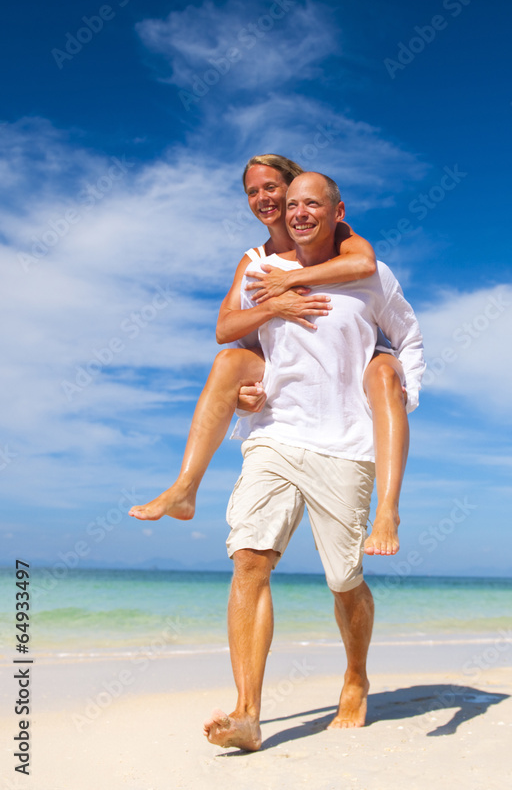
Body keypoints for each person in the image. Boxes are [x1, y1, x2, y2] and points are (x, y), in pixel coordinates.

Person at [203, 171, 424, 750]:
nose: (299, 213)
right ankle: (247, 713)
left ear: (336, 210)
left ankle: (355, 675)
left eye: (312, 204)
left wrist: (405, 390)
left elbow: (409, 336)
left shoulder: (369, 274)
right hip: (275, 436)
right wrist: (249, 393)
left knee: (344, 579)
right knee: (249, 558)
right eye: (292, 204)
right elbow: (244, 344)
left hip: (346, 444)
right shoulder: (260, 274)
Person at [129, 155, 411, 556]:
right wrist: (274, 307)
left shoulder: (343, 240)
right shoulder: (255, 260)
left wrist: (292, 279)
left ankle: (389, 510)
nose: (263, 198)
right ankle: (184, 488)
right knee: (228, 362)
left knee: (344, 579)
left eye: (272, 188)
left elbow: (364, 263)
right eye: (252, 191)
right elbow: (225, 330)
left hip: (353, 374)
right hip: (282, 393)